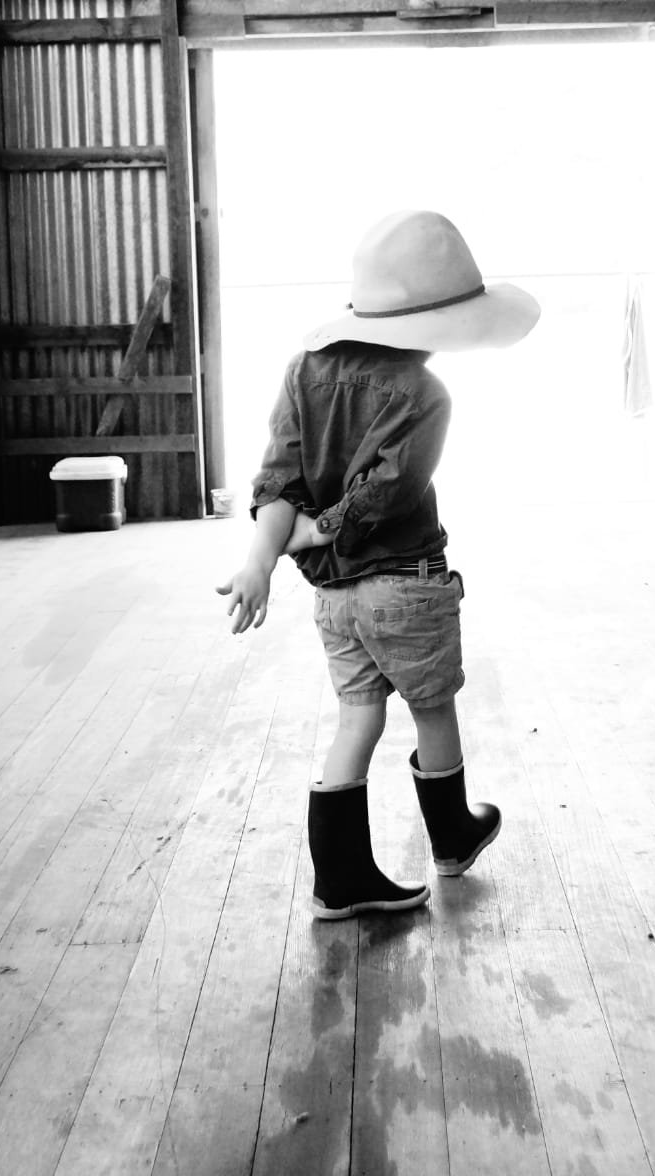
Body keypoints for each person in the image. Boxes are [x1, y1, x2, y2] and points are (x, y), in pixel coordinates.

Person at [217, 210, 540, 919]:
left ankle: (340, 881)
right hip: (405, 584)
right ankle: (452, 838)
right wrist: (324, 528)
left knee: (356, 720)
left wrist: (262, 559)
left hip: (334, 597)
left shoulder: (304, 370)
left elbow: (277, 482)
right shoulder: (425, 395)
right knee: (432, 708)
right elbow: (387, 492)